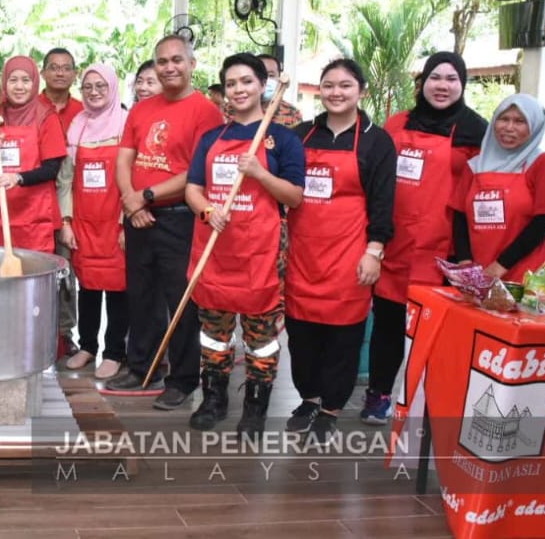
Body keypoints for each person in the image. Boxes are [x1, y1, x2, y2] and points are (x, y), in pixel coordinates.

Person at [184, 52, 305, 434]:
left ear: (262, 85)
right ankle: (213, 398)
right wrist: (207, 211)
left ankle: (255, 407)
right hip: (215, 251)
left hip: (260, 254)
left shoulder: (283, 140)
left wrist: (259, 173)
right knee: (213, 335)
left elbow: (294, 196)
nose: (238, 89)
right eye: (231, 84)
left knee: (261, 340)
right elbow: (192, 189)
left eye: (246, 81)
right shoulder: (211, 139)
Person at [104, 35, 224, 410]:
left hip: (180, 218)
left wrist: (147, 195)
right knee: (141, 296)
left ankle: (183, 379)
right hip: (138, 216)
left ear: (191, 64)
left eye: (176, 60)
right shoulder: (141, 109)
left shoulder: (206, 111)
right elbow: (124, 158)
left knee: (181, 301)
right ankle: (142, 367)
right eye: (162, 61)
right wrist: (131, 201)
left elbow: (197, 171)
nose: (169, 67)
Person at [370, 52, 486, 424]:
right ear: (423, 82)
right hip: (393, 240)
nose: (442, 86)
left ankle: (427, 400)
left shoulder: (476, 131)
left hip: (442, 246)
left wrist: (466, 252)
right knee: (387, 324)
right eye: (435, 77)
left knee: (434, 329)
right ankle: (379, 393)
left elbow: (478, 194)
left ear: (462, 84)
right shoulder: (397, 122)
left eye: (452, 79)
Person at [284, 59, 396, 444]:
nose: (336, 93)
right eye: (328, 85)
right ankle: (309, 399)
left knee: (342, 340)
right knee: (301, 336)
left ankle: (331, 408)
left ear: (361, 91)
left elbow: (383, 203)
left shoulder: (376, 142)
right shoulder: (301, 135)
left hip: (349, 255)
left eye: (345, 85)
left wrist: (374, 251)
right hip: (302, 255)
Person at [58, 63, 129, 380]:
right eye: (88, 86)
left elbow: (134, 178)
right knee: (87, 285)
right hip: (84, 221)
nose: (94, 92)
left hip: (115, 221)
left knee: (117, 289)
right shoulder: (78, 125)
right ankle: (87, 346)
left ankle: (114, 352)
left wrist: (127, 222)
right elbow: (65, 180)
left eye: (101, 86)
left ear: (112, 87)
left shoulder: (126, 124)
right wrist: (66, 221)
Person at [451, 94, 545, 282]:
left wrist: (500, 266)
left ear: (534, 126)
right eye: (503, 119)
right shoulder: (474, 166)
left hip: (530, 278)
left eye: (520, 121)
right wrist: (465, 263)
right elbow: (460, 216)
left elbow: (544, 222)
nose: (509, 127)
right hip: (481, 277)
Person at [0, 56, 66, 253]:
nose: (19, 86)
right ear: (4, 83)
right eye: (13, 80)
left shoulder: (46, 117)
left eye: (26, 80)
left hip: (34, 216)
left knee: (34, 269)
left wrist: (17, 178)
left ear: (34, 83)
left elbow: (51, 169)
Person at [39, 48, 85, 359]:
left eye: (66, 68)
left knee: (66, 270)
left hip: (72, 203)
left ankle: (64, 333)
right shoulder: (29, 108)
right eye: (53, 67)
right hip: (34, 201)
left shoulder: (84, 111)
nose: (59, 73)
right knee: (35, 269)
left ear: (74, 74)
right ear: (43, 72)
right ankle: (31, 329)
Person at [257, 53, 303, 128]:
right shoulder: (238, 110)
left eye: (271, 75)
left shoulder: (293, 114)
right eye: (260, 75)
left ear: (279, 78)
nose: (265, 80)